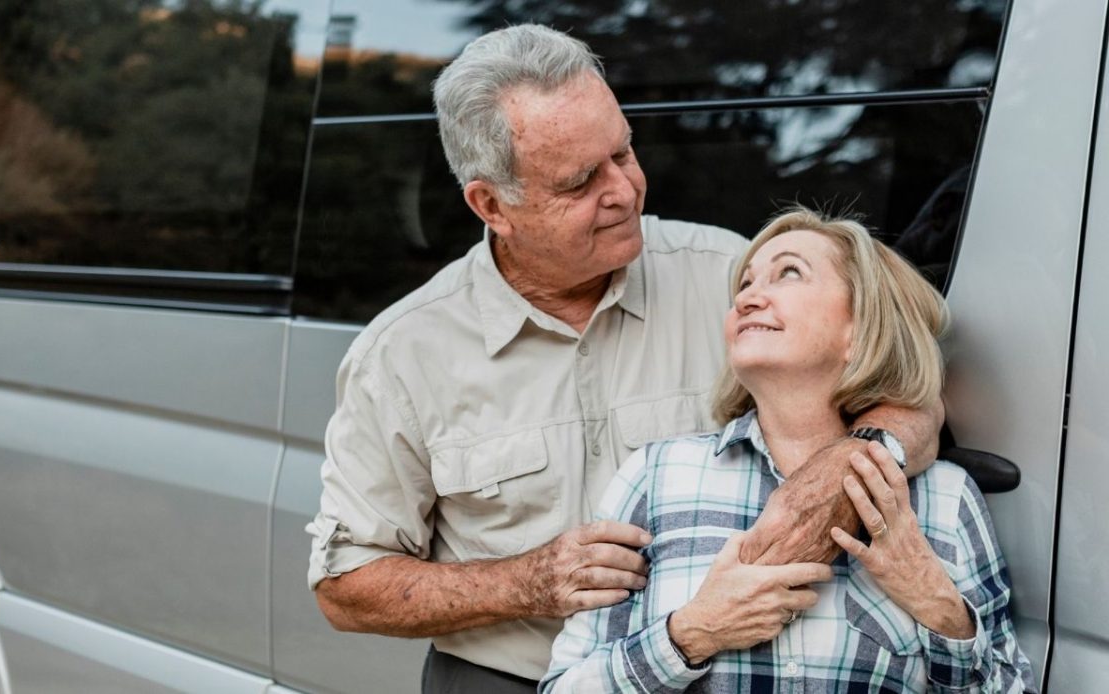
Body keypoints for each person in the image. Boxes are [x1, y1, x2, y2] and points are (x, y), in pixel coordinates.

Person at [307, 25, 943, 690]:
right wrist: (530, 582)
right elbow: (346, 586)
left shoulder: (731, 277)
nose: (624, 190)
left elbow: (919, 398)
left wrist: (855, 458)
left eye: (624, 151)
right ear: (491, 204)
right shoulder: (402, 353)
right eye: (580, 181)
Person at [540, 208, 1036, 692]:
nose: (750, 298)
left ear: (861, 329)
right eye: (745, 285)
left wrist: (938, 606)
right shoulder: (657, 476)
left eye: (789, 274)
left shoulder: (945, 498)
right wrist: (690, 634)